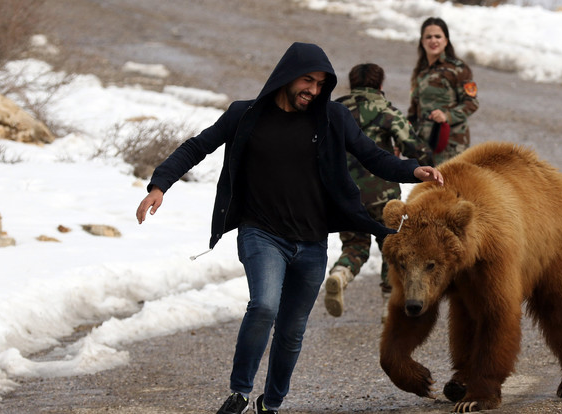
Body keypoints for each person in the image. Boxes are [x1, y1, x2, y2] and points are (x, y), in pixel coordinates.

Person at [135, 42, 444, 414]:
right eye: (307, 80)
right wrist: (159, 185)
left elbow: (373, 156)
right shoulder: (245, 114)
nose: (313, 90)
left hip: (311, 243)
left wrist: (413, 169)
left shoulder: (332, 119)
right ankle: (239, 393)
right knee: (264, 306)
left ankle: (272, 403)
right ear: (286, 75)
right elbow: (196, 147)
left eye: (320, 84)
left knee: (292, 331)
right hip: (261, 234)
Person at [324, 63, 434, 323]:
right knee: (391, 247)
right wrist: (428, 162)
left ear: (351, 84)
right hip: (384, 195)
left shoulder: (335, 111)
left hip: (346, 192)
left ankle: (341, 274)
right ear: (380, 85)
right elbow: (414, 147)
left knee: (355, 245)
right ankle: (389, 305)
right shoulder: (387, 111)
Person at [408, 17, 479, 165]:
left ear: (446, 41)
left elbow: (471, 103)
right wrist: (403, 140)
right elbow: (413, 112)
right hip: (424, 144)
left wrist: (447, 116)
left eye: (438, 36)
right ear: (422, 41)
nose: (433, 40)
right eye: (428, 37)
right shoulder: (420, 72)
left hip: (452, 145)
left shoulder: (458, 69)